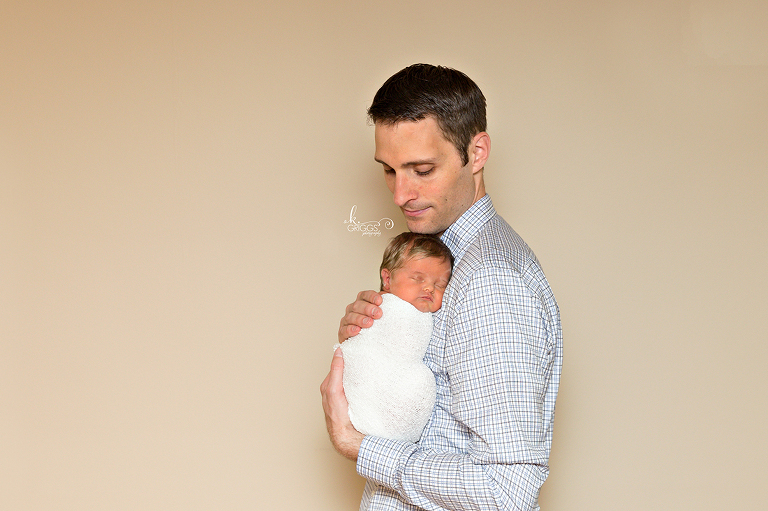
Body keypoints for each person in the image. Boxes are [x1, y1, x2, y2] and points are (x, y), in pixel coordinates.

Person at [320, 63, 563, 511]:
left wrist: (359, 446)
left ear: (478, 152)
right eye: (390, 171)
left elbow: (507, 490)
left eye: (422, 169)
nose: (400, 194)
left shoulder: (492, 282)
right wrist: (377, 341)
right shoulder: (440, 260)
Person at [337, 232, 453, 443]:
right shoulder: (379, 308)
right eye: (418, 278)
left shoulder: (435, 316)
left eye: (440, 285)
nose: (429, 288)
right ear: (387, 279)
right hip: (370, 402)